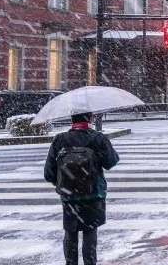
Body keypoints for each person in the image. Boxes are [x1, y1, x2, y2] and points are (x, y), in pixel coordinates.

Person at [44, 112, 120, 265]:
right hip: (93, 194)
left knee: (70, 232)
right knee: (90, 232)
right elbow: (111, 162)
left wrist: (66, 183)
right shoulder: (98, 138)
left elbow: (49, 173)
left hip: (69, 196)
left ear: (71, 119)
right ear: (90, 118)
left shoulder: (60, 140)